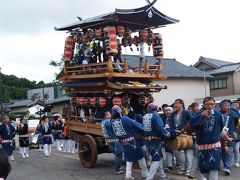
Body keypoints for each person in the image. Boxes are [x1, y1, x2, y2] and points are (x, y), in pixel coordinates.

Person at [190, 97, 224, 180]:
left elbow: (221, 128)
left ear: (214, 105)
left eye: (212, 104)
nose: (210, 106)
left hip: (214, 144)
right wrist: (201, 116)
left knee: (213, 167)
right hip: (202, 145)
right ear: (204, 105)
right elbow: (192, 124)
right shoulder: (199, 114)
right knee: (203, 168)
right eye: (207, 104)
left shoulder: (218, 114)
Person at [111, 105, 148, 180]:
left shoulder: (112, 121)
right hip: (131, 141)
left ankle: (128, 175)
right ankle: (145, 174)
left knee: (129, 158)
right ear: (120, 111)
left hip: (123, 143)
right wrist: (145, 130)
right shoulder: (124, 119)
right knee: (140, 156)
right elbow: (137, 125)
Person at [143, 103, 170, 180]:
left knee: (159, 157)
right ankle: (149, 178)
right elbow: (160, 128)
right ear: (156, 109)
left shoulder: (145, 116)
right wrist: (167, 133)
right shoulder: (156, 116)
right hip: (155, 140)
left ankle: (163, 175)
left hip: (147, 140)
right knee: (156, 159)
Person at [167, 99, 193, 176]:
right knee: (177, 153)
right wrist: (168, 127)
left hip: (186, 135)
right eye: (175, 104)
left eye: (177, 104)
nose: (175, 105)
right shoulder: (173, 114)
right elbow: (169, 122)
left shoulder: (187, 112)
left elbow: (192, 121)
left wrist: (186, 128)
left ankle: (188, 170)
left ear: (181, 104)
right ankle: (182, 168)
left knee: (187, 154)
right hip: (176, 135)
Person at [219, 100, 239, 175]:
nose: (226, 107)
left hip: (231, 136)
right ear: (221, 107)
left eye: (227, 106)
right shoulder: (218, 114)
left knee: (229, 152)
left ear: (229, 106)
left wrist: (236, 132)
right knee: (223, 153)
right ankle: (226, 166)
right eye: (224, 106)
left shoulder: (233, 113)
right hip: (220, 136)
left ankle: (228, 168)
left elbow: (239, 123)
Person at [161, 106, 175, 171]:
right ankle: (170, 166)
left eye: (169, 110)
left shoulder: (174, 117)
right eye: (166, 110)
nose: (167, 112)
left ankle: (178, 164)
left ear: (172, 111)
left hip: (175, 135)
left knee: (176, 151)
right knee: (168, 151)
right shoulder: (162, 118)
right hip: (166, 137)